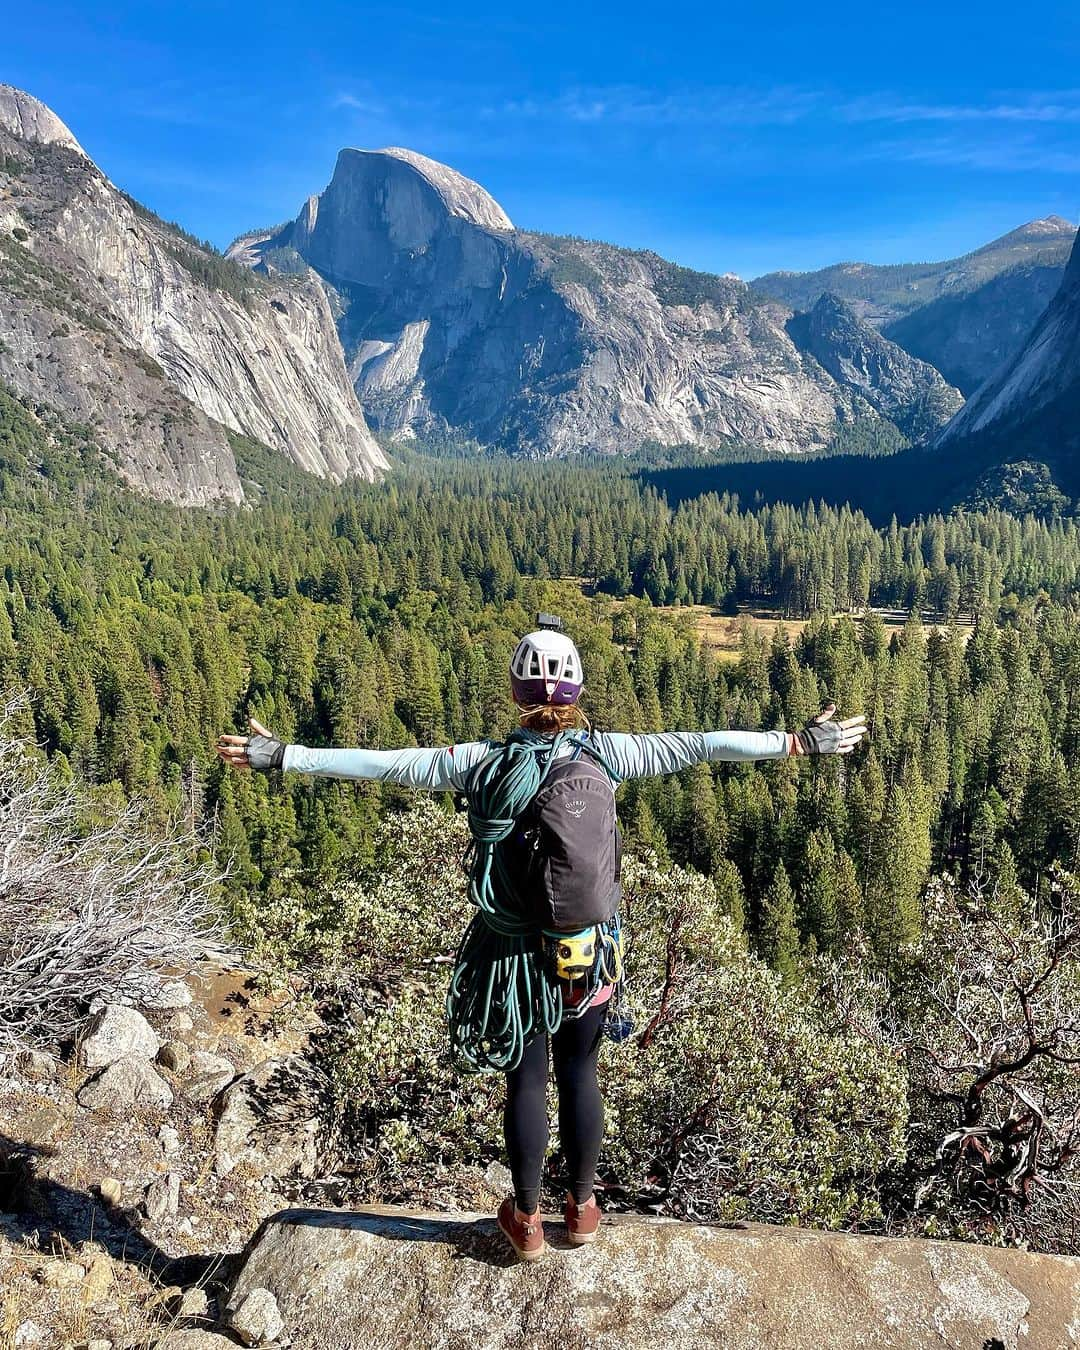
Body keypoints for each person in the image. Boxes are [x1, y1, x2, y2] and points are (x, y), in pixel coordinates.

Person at [215, 616, 867, 1261]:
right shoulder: (611, 755)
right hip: (589, 946)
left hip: (512, 957)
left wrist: (284, 756)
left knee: (527, 1082)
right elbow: (705, 743)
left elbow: (383, 765)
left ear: (516, 692)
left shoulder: (480, 763)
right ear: (576, 691)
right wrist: (799, 743)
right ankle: (581, 1211)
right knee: (581, 1074)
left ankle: (525, 1219)